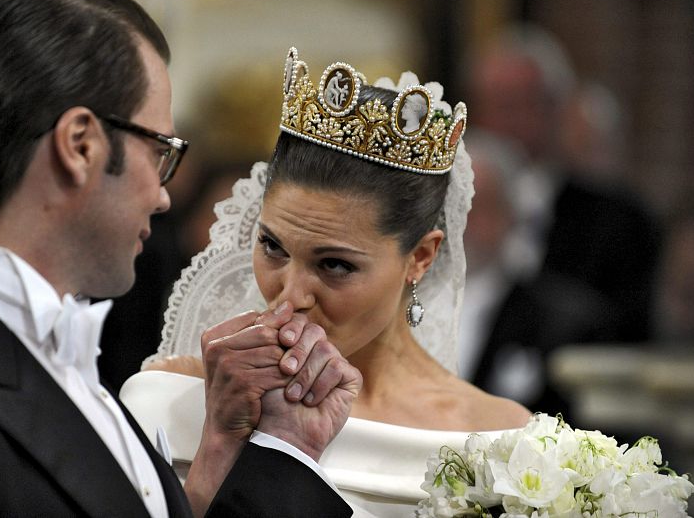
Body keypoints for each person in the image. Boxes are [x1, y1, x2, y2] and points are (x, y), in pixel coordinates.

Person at [0, 0, 361, 517]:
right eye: (159, 151)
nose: (164, 194)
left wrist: (265, 451)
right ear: (80, 145)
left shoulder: (33, 345)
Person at [124, 47, 531, 517]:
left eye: (334, 265)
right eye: (273, 247)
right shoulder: (171, 400)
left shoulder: (502, 441)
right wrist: (218, 444)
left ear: (420, 257)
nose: (290, 295)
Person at [465, 24, 662, 415]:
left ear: (558, 107)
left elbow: (629, 340)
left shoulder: (620, 223)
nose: (505, 120)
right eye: (493, 103)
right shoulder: (450, 213)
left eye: (521, 102)